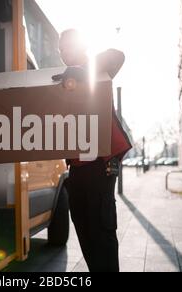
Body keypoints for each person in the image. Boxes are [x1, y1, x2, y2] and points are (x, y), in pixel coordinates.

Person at [53, 29, 132, 272]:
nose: (63, 52)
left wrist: (84, 71)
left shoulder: (97, 71)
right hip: (76, 172)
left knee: (102, 235)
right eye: (61, 49)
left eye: (66, 46)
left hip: (101, 167)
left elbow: (118, 55)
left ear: (80, 45)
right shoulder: (61, 82)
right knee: (84, 232)